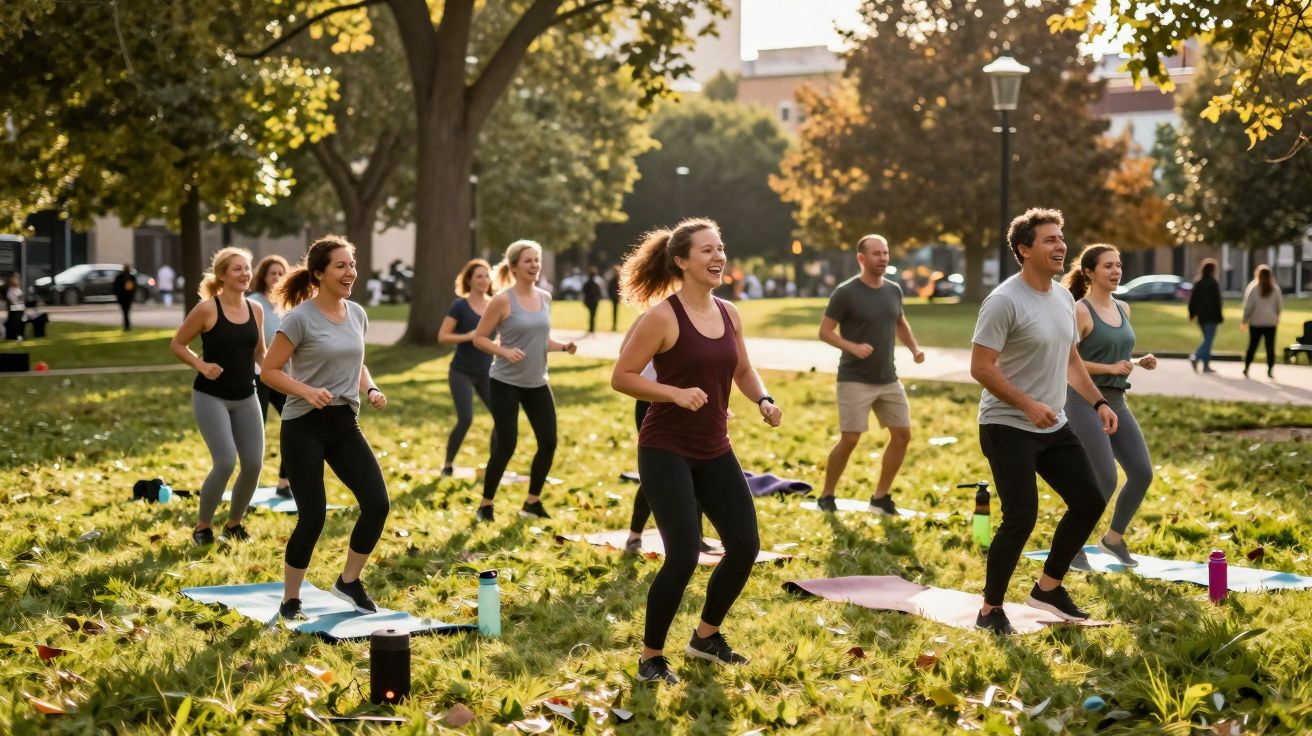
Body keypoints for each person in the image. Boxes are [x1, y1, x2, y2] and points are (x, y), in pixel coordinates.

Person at [612, 218, 782, 685]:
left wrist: (763, 400)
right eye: (706, 250)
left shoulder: (729, 313)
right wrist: (672, 393)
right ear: (682, 261)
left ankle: (706, 637)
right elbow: (622, 376)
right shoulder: (662, 317)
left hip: (714, 448)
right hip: (665, 448)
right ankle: (650, 657)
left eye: (721, 248)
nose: (717, 257)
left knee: (745, 545)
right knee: (683, 555)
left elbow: (744, 369)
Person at [969, 208, 1114, 635]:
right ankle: (990, 610)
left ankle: (1047, 589)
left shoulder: (1064, 298)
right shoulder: (1004, 301)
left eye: (1061, 237)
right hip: (1006, 425)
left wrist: (1099, 401)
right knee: (1022, 516)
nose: (1060, 246)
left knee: (1089, 499)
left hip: (1053, 424)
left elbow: (1071, 360)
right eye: (1049, 239)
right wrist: (1027, 403)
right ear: (1024, 249)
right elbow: (981, 366)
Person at [261, 235, 390, 619]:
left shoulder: (357, 314)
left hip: (344, 423)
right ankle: (291, 599)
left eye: (351, 264)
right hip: (304, 424)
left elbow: (357, 361)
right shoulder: (299, 319)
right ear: (319, 273)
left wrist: (371, 388)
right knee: (313, 514)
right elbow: (269, 371)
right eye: (341, 265)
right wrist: (306, 390)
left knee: (377, 504)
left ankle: (349, 581)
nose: (350, 272)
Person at [1061, 244, 1157, 569]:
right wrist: (1111, 368)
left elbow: (1113, 355)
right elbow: (1067, 362)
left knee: (1142, 473)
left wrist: (1136, 361)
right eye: (1108, 266)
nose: (1116, 271)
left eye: (1119, 265)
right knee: (1104, 476)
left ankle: (1112, 540)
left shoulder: (1123, 308)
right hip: (1081, 400)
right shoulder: (1080, 311)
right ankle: (1072, 546)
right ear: (1089, 272)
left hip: (1116, 400)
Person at [815, 234, 925, 514]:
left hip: (888, 377)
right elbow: (824, 332)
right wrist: (851, 346)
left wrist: (914, 348)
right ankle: (827, 495)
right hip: (854, 378)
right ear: (861, 258)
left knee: (903, 435)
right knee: (850, 438)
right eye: (876, 254)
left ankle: (880, 497)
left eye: (886, 253)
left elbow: (900, 322)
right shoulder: (846, 292)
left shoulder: (893, 290)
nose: (883, 258)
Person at [472, 240, 577, 522]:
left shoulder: (545, 297)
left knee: (549, 442)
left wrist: (563, 347)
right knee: (506, 445)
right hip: (505, 381)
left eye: (537, 260)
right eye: (528, 260)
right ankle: (486, 505)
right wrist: (504, 351)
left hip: (537, 382)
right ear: (514, 267)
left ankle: (532, 502)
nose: (535, 265)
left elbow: (541, 339)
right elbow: (479, 338)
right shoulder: (503, 300)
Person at [169, 247, 266, 545]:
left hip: (247, 396)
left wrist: (284, 377)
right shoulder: (207, 309)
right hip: (211, 397)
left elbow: (260, 353)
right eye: (237, 269)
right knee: (225, 461)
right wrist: (201, 364)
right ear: (222, 275)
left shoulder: (255, 309)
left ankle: (234, 525)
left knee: (253, 463)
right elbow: (178, 344)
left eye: (247, 268)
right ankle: (202, 527)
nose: (245, 274)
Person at [438, 259, 496, 478]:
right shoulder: (459, 306)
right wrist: (469, 336)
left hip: (486, 372)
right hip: (461, 371)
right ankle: (448, 464)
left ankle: (493, 465)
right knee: (466, 419)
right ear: (469, 280)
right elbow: (442, 337)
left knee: (501, 417)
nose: (483, 280)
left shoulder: (495, 304)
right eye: (478, 276)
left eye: (487, 275)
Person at [249, 255, 293, 498]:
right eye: (272, 273)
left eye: (280, 273)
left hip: (283, 376)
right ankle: (249, 482)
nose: (276, 277)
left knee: (294, 424)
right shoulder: (253, 302)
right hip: (257, 377)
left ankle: (284, 482)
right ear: (263, 277)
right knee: (258, 431)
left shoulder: (289, 304)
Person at [1241, 264, 1283, 380]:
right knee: (1270, 347)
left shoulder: (1253, 288)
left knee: (1252, 346)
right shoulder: (1275, 288)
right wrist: (1277, 316)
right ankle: (1270, 370)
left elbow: (1248, 307)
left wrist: (1244, 320)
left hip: (1256, 322)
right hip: (1270, 323)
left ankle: (1247, 367)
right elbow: (1279, 306)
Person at [1187, 258, 1223, 373]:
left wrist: (1192, 313)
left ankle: (1206, 366)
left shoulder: (1198, 283)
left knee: (1207, 340)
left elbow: (1192, 300)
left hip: (1201, 317)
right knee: (1208, 340)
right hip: (1211, 317)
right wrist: (1220, 316)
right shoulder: (1213, 283)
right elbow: (1217, 302)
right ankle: (1196, 357)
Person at [112, 264, 138, 330]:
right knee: (125, 311)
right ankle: (127, 325)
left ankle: (127, 325)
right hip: (124, 297)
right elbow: (115, 288)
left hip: (126, 297)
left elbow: (134, 288)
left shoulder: (129, 277)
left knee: (125, 311)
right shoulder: (123, 277)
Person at [582, 266, 603, 335]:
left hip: (589, 301)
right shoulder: (596, 284)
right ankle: (592, 328)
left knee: (591, 315)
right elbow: (599, 293)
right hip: (594, 301)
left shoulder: (587, 284)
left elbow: (584, 292)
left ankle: (591, 328)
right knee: (593, 315)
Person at [5, 273, 24, 340]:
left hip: (19, 308)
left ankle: (20, 334)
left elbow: (21, 299)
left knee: (22, 319)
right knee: (17, 320)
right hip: (14, 310)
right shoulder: (10, 290)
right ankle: (17, 335)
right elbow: (11, 299)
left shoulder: (18, 288)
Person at [607, 266, 622, 331]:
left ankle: (614, 325)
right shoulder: (614, 280)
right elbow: (610, 289)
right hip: (614, 298)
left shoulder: (617, 280)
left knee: (615, 311)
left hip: (616, 297)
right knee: (615, 311)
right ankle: (614, 326)